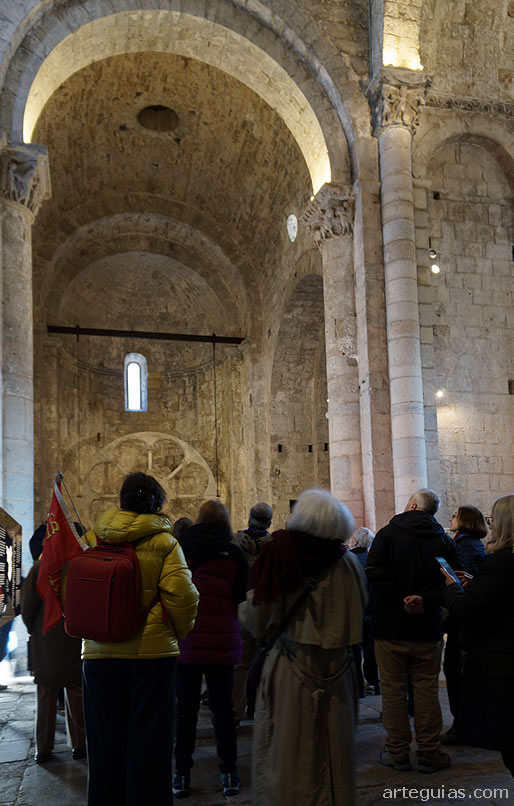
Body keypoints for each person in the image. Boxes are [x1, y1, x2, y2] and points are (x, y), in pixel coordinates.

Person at [240, 488, 366, 806]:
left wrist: (245, 606)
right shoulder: (349, 563)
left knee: (291, 757)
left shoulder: (283, 556)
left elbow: (256, 619)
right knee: (335, 754)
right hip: (340, 672)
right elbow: (361, 609)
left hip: (293, 669)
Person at [81, 472, 199, 806]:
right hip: (152, 659)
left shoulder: (93, 538)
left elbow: (70, 589)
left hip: (99, 657)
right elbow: (183, 597)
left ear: (121, 501)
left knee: (103, 746)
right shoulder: (165, 543)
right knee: (150, 746)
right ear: (156, 503)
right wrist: (175, 634)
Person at [366, 488, 459, 774]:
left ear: (414, 506)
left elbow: (374, 572)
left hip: (389, 627)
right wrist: (424, 599)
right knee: (426, 689)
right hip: (427, 627)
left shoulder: (387, 534)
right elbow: (452, 580)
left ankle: (397, 753)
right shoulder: (444, 540)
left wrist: (401, 598)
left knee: (393, 691)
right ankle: (429, 752)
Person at [173, 500, 248, 799]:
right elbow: (241, 596)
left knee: (185, 711)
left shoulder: (183, 548)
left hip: (188, 639)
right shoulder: (234, 553)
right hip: (223, 641)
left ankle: (181, 773)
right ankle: (229, 772)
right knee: (223, 711)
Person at [441, 494, 514, 777]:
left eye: (494, 519)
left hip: (501, 663)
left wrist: (452, 586)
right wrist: (477, 584)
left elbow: (466, 610)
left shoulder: (501, 562)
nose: (491, 524)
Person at [21, 523, 86, 763]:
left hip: (46, 638)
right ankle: (79, 745)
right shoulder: (82, 567)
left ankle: (44, 749)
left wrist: (35, 630)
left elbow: (27, 608)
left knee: (45, 696)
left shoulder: (40, 567)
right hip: (74, 637)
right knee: (76, 693)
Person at [441, 505, 487, 744]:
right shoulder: (470, 543)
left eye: (455, 515)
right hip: (467, 624)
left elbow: (461, 581)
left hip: (462, 624)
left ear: (466, 521)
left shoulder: (465, 545)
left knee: (457, 674)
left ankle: (462, 727)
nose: (451, 518)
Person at [232, 502, 273, 721]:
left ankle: (235, 714)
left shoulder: (235, 542)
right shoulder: (274, 546)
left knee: (241, 664)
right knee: (265, 661)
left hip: (241, 607)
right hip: (265, 607)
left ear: (249, 518)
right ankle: (259, 711)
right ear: (269, 523)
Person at [349, 527, 380, 697]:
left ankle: (358, 686)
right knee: (370, 651)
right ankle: (374, 683)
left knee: (355, 651)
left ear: (354, 541)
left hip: (354, 613)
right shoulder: (373, 561)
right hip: (372, 613)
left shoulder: (348, 560)